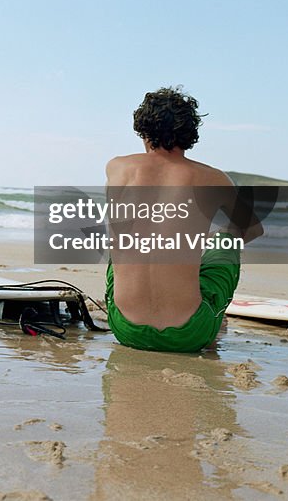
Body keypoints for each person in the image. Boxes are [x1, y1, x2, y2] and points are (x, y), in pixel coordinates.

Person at [104, 87, 262, 352]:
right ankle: (213, 324)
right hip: (189, 334)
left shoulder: (117, 167)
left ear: (143, 131)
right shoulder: (212, 178)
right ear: (190, 134)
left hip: (125, 329)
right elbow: (252, 228)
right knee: (227, 239)